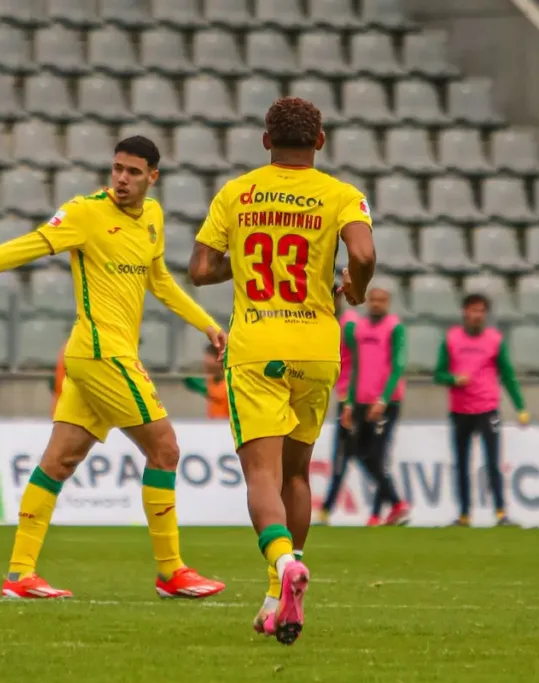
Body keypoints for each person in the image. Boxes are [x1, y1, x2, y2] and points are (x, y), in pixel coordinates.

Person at [0, 137, 228, 600]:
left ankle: (19, 575)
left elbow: (160, 281)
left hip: (101, 356)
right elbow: (27, 247)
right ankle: (171, 571)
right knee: (166, 450)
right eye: (117, 168)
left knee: (58, 462)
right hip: (100, 353)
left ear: (152, 177)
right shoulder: (84, 212)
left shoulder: (153, 219)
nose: (121, 178)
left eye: (134, 172)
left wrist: (208, 325)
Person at [189, 97, 376, 645]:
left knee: (263, 477)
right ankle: (277, 597)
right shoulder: (343, 195)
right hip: (318, 348)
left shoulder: (237, 192)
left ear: (265, 141)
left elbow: (200, 270)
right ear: (320, 142)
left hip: (257, 348)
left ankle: (283, 565)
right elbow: (362, 257)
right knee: (296, 474)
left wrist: (242, 260)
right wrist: (355, 292)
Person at [434, 293, 529, 527]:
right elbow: (438, 374)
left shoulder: (495, 340)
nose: (477, 315)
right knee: (462, 464)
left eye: (481, 311)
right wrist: (453, 379)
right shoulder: (452, 339)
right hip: (460, 410)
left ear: (485, 314)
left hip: (487, 409)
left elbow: (507, 375)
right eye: (473, 310)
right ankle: (464, 514)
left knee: (493, 463)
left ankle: (500, 513)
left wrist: (520, 406)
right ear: (465, 312)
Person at [340, 282, 410, 527]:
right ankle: (396, 503)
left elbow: (398, 366)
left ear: (388, 303)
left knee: (378, 456)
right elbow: (355, 367)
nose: (376, 304)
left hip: (385, 403)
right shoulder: (358, 328)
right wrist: (348, 402)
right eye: (373, 299)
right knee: (360, 454)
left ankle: (376, 513)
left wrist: (384, 398)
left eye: (381, 300)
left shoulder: (395, 328)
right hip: (360, 400)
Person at [317, 285, 360, 524]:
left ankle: (326, 508)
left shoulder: (349, 325)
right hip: (345, 397)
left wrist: (351, 401)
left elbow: (361, 364)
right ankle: (393, 504)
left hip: (351, 400)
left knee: (343, 456)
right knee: (361, 455)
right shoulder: (325, 321)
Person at [183, 345, 230, 419]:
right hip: (212, 426)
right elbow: (188, 380)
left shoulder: (230, 384)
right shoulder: (211, 381)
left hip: (226, 426)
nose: (205, 361)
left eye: (209, 356)